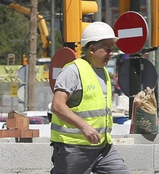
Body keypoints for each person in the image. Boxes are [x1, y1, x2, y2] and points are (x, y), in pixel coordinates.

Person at [50, 22, 131, 174]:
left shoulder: (103, 71)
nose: (111, 53)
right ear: (92, 49)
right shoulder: (72, 71)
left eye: (112, 50)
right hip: (74, 149)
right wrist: (84, 127)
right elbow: (57, 105)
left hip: (103, 149)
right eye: (107, 49)